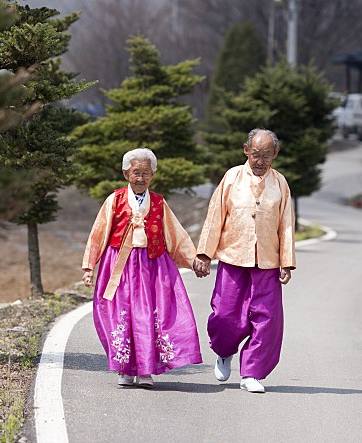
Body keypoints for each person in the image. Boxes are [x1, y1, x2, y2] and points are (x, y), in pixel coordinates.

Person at [82, 148, 202, 388]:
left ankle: (145, 370)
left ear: (152, 175)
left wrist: (194, 260)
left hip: (152, 265)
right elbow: (98, 234)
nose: (141, 178)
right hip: (119, 265)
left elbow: (175, 234)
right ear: (126, 173)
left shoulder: (158, 202)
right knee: (121, 315)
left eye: (146, 173)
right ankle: (125, 370)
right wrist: (89, 266)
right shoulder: (114, 200)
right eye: (136, 173)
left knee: (148, 315)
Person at [193, 128, 296, 394]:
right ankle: (224, 352)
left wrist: (286, 261)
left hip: (268, 261)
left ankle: (252, 373)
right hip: (233, 257)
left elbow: (286, 225)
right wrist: (204, 253)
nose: (260, 161)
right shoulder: (231, 178)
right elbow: (215, 215)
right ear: (245, 150)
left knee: (267, 319)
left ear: (275, 153)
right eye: (255, 154)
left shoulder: (281, 183)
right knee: (225, 314)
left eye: (266, 155)